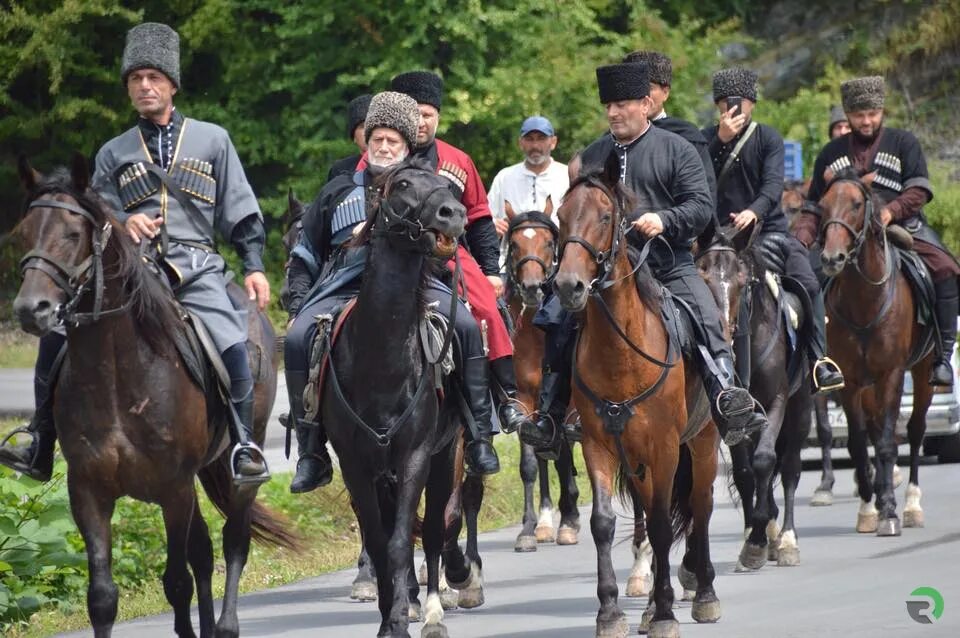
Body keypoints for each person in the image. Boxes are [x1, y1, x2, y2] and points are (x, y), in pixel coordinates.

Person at [0, 23, 270, 481]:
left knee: (231, 341)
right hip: (130, 269)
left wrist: (254, 266)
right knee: (57, 338)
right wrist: (125, 223)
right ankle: (41, 439)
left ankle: (243, 445)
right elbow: (91, 217)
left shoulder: (213, 140)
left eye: (154, 78)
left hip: (196, 268)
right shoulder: (113, 151)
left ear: (172, 85)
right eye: (135, 79)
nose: (145, 86)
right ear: (128, 88)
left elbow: (239, 208)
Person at [520, 61, 769, 452]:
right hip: (605, 274)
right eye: (609, 106)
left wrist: (665, 218)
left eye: (622, 104)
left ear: (646, 103)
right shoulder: (593, 156)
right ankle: (550, 415)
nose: (614, 113)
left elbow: (702, 206)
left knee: (706, 316)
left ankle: (727, 397)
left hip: (668, 264)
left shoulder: (678, 149)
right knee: (556, 317)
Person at [284, 91, 511, 490]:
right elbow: (306, 252)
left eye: (393, 141)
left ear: (406, 147)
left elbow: (449, 240)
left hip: (415, 286)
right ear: (366, 142)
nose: (384, 147)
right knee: (298, 336)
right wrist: (299, 302)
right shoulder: (335, 190)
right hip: (342, 286)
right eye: (377, 139)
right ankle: (311, 451)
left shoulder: (428, 188)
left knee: (467, 327)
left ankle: (479, 436)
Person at [794, 76, 960, 386]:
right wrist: (800, 241)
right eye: (858, 115)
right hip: (842, 231)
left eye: (872, 113)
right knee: (805, 278)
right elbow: (814, 204)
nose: (866, 121)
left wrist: (890, 211)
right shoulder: (831, 152)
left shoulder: (903, 142)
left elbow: (919, 190)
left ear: (881, 111)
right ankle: (815, 359)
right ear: (848, 114)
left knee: (946, 268)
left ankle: (942, 357)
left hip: (901, 225)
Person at [387, 71, 527, 427]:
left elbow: (480, 221)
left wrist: (492, 273)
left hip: (447, 256)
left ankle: (508, 397)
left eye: (427, 114)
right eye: (413, 113)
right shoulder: (383, 152)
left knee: (488, 310)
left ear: (438, 117)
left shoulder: (458, 161)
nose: (420, 121)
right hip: (390, 258)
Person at [703, 67, 844, 394]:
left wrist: (754, 212)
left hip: (768, 232)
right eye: (725, 103)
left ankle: (818, 361)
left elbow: (771, 185)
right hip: (717, 237)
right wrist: (719, 142)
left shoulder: (768, 138)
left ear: (752, 103)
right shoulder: (704, 139)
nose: (732, 109)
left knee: (808, 282)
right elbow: (698, 180)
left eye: (739, 102)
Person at [622, 50, 717, 202]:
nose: (641, 96)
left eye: (649, 88)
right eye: (634, 88)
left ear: (665, 92)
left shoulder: (687, 138)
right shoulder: (611, 140)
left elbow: (703, 200)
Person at [487, 115, 568, 233]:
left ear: (553, 142)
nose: (535, 145)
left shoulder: (567, 176)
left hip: (557, 251)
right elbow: (485, 217)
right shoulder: (505, 177)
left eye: (541, 138)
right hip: (510, 250)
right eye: (529, 139)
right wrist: (493, 224)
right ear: (521, 143)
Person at [327, 94, 372, 181]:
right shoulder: (340, 169)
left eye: (373, 125)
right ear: (354, 136)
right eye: (362, 126)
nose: (369, 131)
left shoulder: (396, 165)